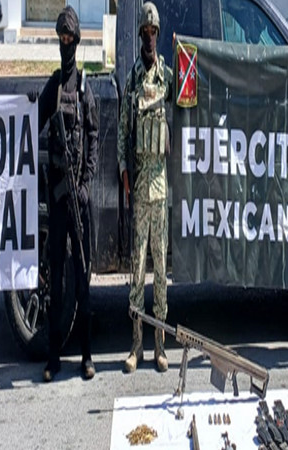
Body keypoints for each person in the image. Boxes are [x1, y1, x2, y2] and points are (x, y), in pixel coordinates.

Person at [31, 6, 100, 381]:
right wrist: (27, 102)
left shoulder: (85, 87)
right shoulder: (54, 86)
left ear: (77, 40)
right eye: (61, 39)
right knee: (56, 279)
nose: (66, 44)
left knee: (83, 274)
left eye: (70, 38)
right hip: (57, 198)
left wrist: (86, 182)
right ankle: (53, 357)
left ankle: (87, 356)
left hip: (78, 195)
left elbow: (92, 135)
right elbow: (33, 122)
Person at [117, 1, 173, 374]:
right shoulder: (134, 79)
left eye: (154, 33)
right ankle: (136, 345)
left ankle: (160, 346)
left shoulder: (168, 75)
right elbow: (123, 133)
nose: (150, 38)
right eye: (145, 33)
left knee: (162, 273)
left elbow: (191, 90)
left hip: (161, 188)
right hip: (139, 189)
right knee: (137, 272)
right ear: (140, 36)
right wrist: (123, 172)